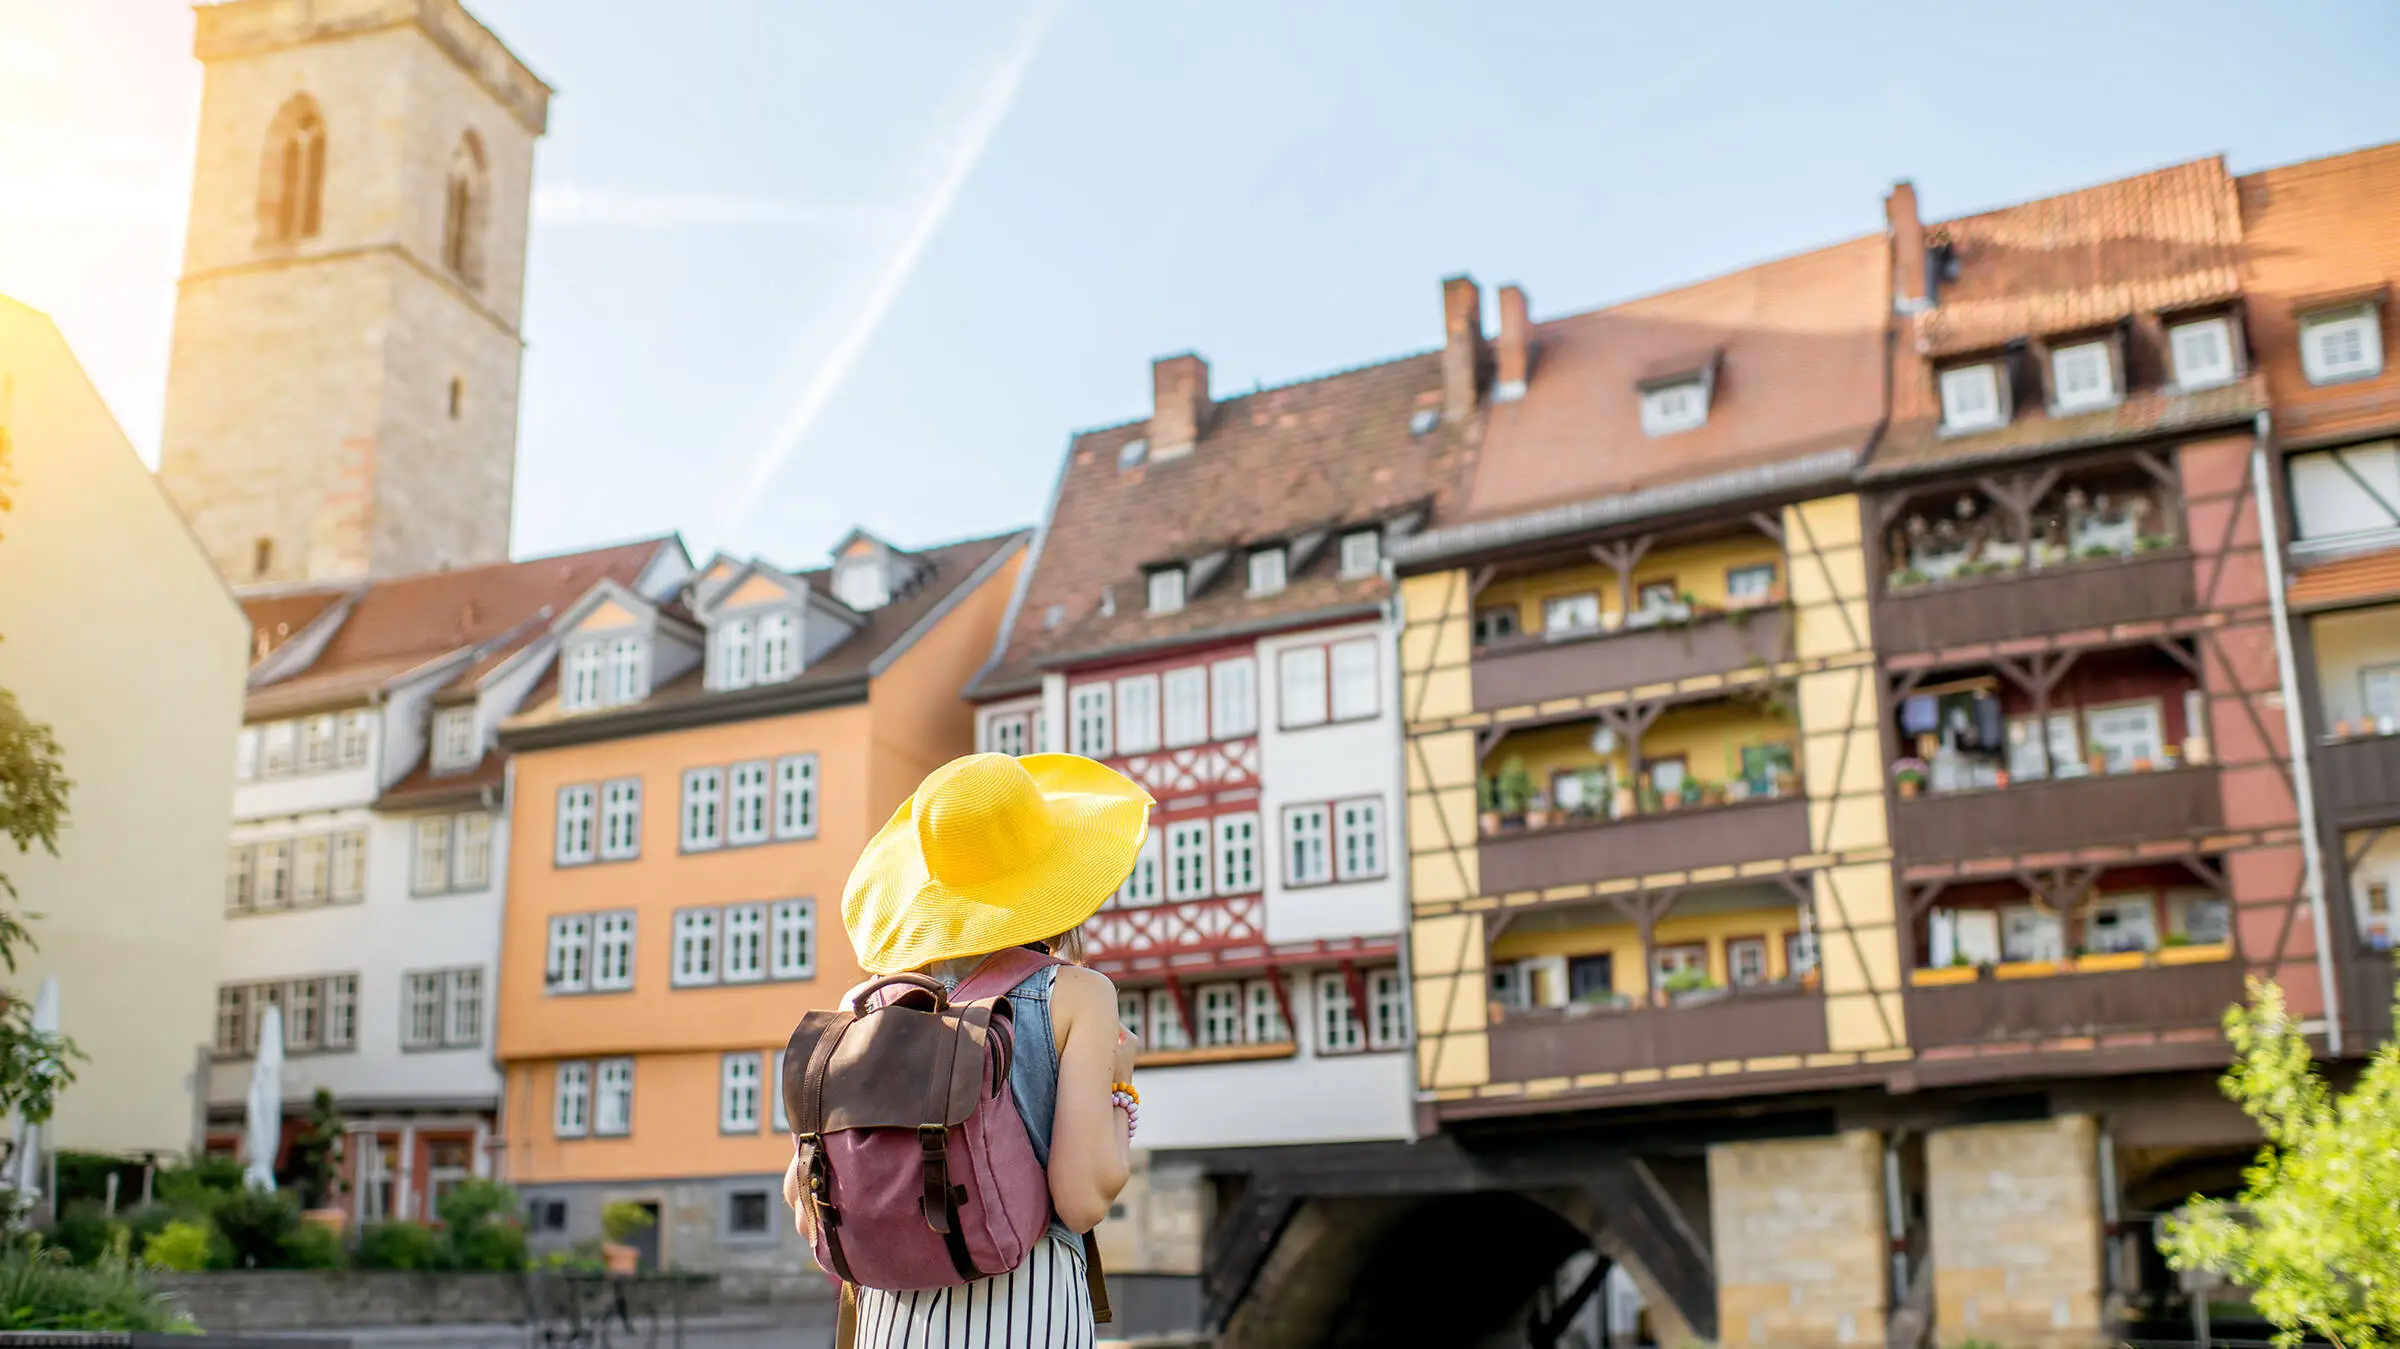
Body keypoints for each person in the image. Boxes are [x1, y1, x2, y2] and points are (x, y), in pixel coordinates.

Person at [788, 751, 1151, 1348]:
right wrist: (1122, 1086)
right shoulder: (1076, 994)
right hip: (1024, 1313)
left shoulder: (867, 1006)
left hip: (888, 1321)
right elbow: (1083, 1199)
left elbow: (805, 1205)